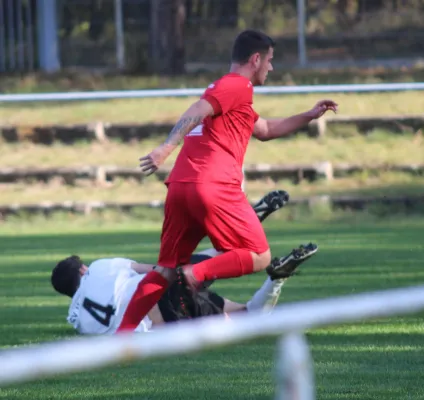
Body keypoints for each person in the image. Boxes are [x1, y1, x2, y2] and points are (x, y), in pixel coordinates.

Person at [119, 29, 337, 332]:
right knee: (259, 255)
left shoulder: (231, 96)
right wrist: (165, 148)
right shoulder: (237, 86)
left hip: (181, 186)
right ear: (256, 59)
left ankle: (121, 337)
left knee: (165, 270)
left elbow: (265, 129)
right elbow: (197, 110)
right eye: (270, 61)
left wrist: (309, 115)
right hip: (213, 185)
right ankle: (196, 275)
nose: (271, 68)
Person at [51, 242, 318, 335]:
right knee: (183, 268)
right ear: (82, 270)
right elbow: (153, 268)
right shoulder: (99, 267)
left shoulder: (78, 321)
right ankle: (230, 246)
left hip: (161, 314)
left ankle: (277, 278)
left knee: (249, 316)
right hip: (158, 288)